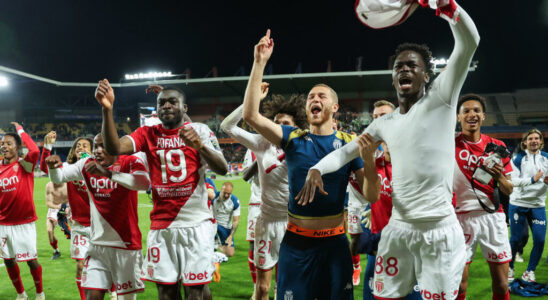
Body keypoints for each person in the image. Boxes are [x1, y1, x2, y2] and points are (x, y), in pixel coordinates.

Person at [299, 3, 480, 298]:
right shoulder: (386, 123)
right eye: (399, 66)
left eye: (412, 66)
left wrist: (448, 8)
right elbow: (345, 152)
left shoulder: (442, 98)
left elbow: (470, 42)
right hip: (398, 229)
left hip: (439, 229)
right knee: (384, 296)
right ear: (393, 77)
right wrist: (318, 167)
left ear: (426, 76)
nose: (404, 69)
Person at [242, 30, 366, 299]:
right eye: (311, 96)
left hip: (334, 244)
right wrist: (259, 62)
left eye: (321, 96)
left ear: (334, 107)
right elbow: (250, 115)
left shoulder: (349, 143)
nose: (314, 100)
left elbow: (368, 191)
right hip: (296, 243)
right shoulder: (293, 138)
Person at [95, 79, 228, 300]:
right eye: (161, 103)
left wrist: (200, 146)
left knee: (195, 293)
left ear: (184, 108)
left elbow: (222, 169)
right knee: (166, 294)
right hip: (162, 226)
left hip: (196, 224)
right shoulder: (147, 133)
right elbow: (114, 148)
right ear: (156, 109)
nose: (166, 106)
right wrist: (107, 109)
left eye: (172, 102)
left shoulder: (200, 131)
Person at [221, 82, 308, 299]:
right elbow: (227, 127)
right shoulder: (261, 143)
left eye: (284, 123)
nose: (277, 127)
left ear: (295, 127)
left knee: (291, 288)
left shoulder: (303, 144)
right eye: (275, 122)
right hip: (266, 223)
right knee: (261, 289)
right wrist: (251, 103)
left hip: (294, 224)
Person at [47, 133, 150, 300]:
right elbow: (60, 177)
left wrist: (107, 173)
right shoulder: (87, 164)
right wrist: (53, 168)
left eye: (104, 146)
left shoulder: (130, 161)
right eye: (96, 146)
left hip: (126, 245)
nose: (99, 151)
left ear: (116, 146)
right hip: (97, 245)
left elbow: (143, 183)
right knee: (92, 295)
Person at [452, 94, 513, 300]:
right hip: (459, 219)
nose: (472, 114)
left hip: (492, 217)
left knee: (502, 284)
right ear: (458, 117)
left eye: (476, 110)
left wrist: (500, 177)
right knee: (459, 286)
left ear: (484, 116)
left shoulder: (497, 146)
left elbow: (509, 189)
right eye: (466, 111)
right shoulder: (448, 144)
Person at [40, 131, 94, 300]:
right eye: (78, 146)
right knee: (80, 265)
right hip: (79, 225)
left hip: (100, 224)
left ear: (92, 151)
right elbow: (46, 169)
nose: (81, 148)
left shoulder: (99, 167)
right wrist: (47, 147)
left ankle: (113, 291)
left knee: (104, 263)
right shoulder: (69, 168)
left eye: (85, 146)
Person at [0, 122, 45, 300]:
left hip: (24, 222)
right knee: (8, 259)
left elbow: (34, 150)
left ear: (18, 148)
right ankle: (21, 293)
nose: (4, 146)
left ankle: (40, 292)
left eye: (9, 143)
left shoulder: (25, 164)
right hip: (3, 223)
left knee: (31, 260)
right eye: (3, 143)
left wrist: (21, 131)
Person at [508, 128, 548, 282]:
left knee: (540, 240)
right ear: (525, 142)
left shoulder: (546, 158)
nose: (534, 141)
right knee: (516, 239)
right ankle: (509, 268)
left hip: (537, 205)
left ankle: (529, 271)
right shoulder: (518, 159)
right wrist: (533, 179)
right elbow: (512, 181)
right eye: (530, 138)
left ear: (541, 141)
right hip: (518, 203)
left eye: (536, 138)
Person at [242, 148, 261, 288]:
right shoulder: (252, 149)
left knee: (280, 247)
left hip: (280, 204)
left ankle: (278, 287)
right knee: (254, 246)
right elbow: (245, 175)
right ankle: (256, 288)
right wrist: (259, 158)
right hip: (257, 204)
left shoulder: (283, 144)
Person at [212, 182, 240, 257]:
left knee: (230, 253)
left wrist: (230, 236)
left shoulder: (235, 201)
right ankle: (213, 242)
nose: (226, 195)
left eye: (229, 193)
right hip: (213, 224)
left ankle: (217, 245)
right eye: (224, 193)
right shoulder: (213, 197)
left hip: (225, 227)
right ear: (221, 189)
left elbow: (236, 221)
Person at [45, 180, 68, 260]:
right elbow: (48, 203)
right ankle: (56, 251)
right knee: (49, 231)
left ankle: (83, 250)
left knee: (73, 232)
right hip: (54, 208)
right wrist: (57, 207)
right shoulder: (49, 185)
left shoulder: (68, 184)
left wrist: (68, 208)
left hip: (68, 209)